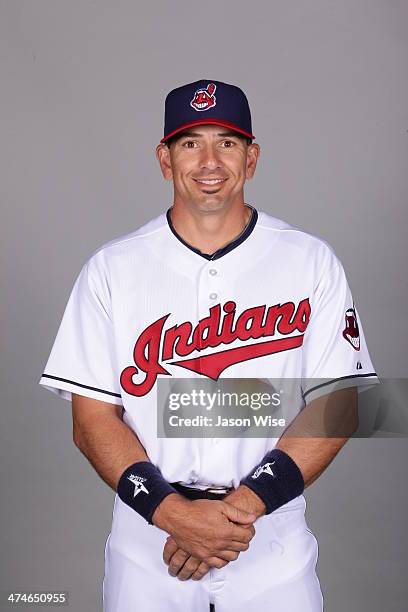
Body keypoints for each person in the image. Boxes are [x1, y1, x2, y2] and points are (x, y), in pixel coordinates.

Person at [39, 79, 378, 611]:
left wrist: (240, 509)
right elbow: (91, 420)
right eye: (190, 142)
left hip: (269, 534)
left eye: (227, 141)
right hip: (149, 534)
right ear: (164, 158)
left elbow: (340, 404)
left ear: (252, 156)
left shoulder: (310, 261)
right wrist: (174, 515)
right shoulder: (113, 268)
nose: (209, 160)